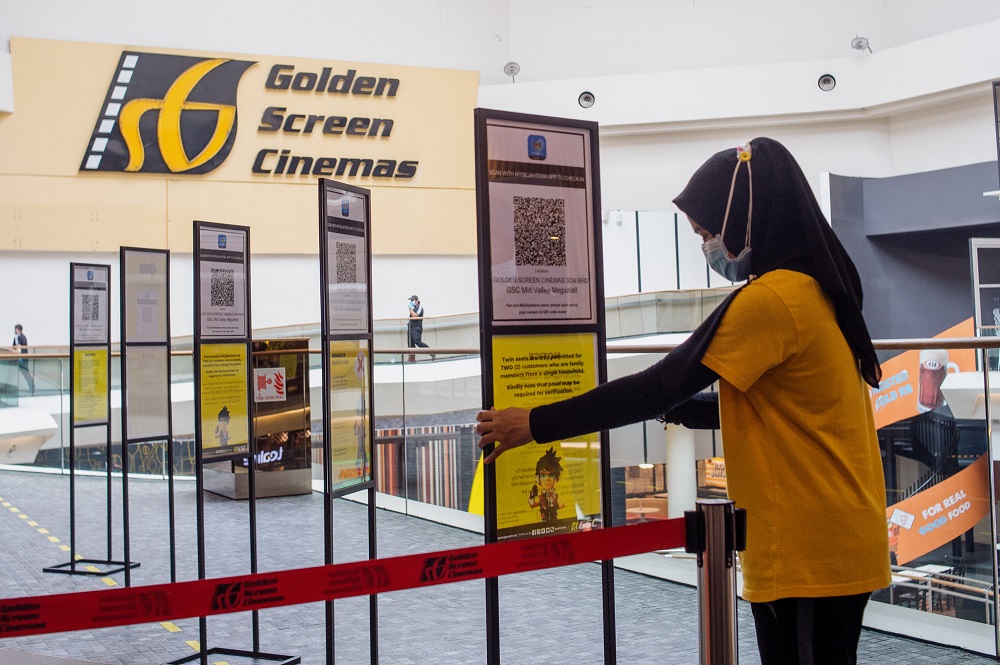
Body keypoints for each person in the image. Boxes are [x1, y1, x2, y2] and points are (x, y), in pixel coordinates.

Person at [476, 137, 891, 665]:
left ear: (742, 219)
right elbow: (789, 410)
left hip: (810, 549)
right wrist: (682, 410)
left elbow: (658, 384)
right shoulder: (813, 291)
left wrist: (533, 424)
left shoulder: (771, 301)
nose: (707, 247)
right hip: (831, 536)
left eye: (707, 233)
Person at [407, 295, 431, 362]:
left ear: (417, 300)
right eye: (411, 300)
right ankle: (412, 358)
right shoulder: (413, 308)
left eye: (413, 300)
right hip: (411, 327)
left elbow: (415, 316)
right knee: (410, 343)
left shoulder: (420, 307)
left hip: (416, 328)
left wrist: (410, 309)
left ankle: (431, 352)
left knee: (417, 341)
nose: (412, 301)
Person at [12, 324, 34, 394]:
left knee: (25, 373)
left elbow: (19, 348)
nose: (15, 331)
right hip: (21, 358)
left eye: (16, 329)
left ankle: (32, 387)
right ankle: (32, 387)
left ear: (18, 330)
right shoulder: (20, 337)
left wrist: (19, 356)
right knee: (24, 373)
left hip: (21, 358)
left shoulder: (19, 337)